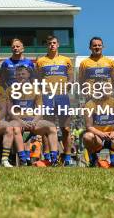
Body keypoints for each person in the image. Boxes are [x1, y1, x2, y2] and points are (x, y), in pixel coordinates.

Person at [36, 35, 74, 166]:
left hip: (62, 96)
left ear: (58, 45)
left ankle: (67, 157)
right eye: (49, 43)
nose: (52, 45)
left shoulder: (66, 60)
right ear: (47, 46)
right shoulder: (40, 61)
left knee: (66, 128)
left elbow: (70, 77)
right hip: (47, 96)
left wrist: (68, 84)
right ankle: (48, 156)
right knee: (48, 127)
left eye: (54, 43)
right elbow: (38, 79)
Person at [82, 91, 114, 168]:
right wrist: (101, 134)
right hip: (98, 138)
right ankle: (94, 160)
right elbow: (88, 126)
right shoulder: (89, 104)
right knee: (87, 136)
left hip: (113, 138)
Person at [5, 65, 43, 167]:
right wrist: (22, 122)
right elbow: (9, 111)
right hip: (17, 120)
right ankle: (23, 158)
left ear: (29, 75)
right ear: (15, 76)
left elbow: (40, 111)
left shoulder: (36, 90)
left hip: (32, 120)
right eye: (18, 74)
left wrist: (34, 121)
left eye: (23, 74)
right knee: (16, 128)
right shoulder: (10, 90)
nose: (20, 76)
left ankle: (51, 159)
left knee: (50, 128)